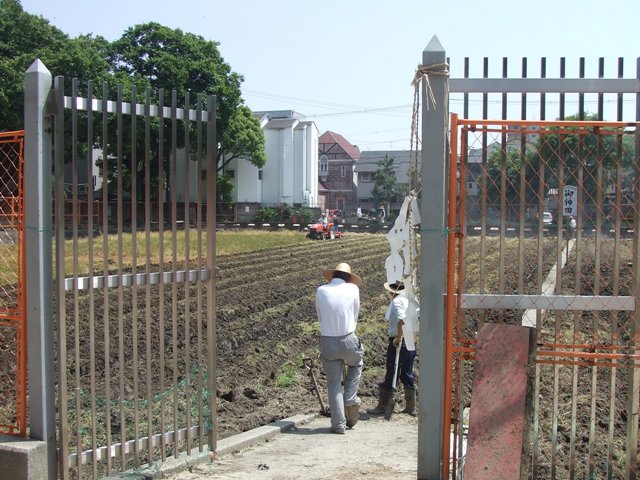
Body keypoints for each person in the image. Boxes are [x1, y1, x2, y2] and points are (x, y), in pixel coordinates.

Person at [316, 262, 364, 434]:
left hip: (327, 341)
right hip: (348, 338)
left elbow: (320, 315)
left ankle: (338, 425)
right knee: (356, 364)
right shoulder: (353, 289)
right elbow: (355, 312)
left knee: (334, 384)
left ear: (333, 276)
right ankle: (350, 398)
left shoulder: (321, 290)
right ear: (349, 278)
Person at [367, 280, 416, 417]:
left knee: (392, 370)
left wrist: (399, 338)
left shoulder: (397, 302)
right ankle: (411, 407)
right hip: (410, 339)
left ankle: (383, 405)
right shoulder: (409, 300)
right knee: (407, 372)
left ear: (393, 291)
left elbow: (402, 320)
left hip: (400, 340)